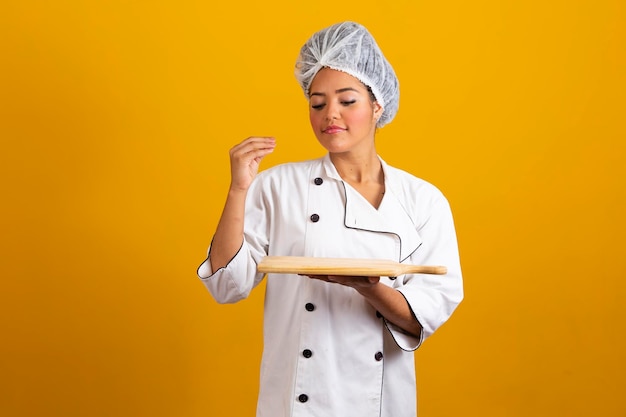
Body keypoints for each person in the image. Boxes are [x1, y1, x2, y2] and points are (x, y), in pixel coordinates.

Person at [197, 21, 464, 417]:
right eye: (317, 103)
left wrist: (369, 288)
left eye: (347, 101)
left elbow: (426, 314)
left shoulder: (423, 200)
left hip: (381, 404)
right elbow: (225, 284)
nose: (330, 115)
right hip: (293, 404)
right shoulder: (277, 186)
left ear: (378, 105)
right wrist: (238, 189)